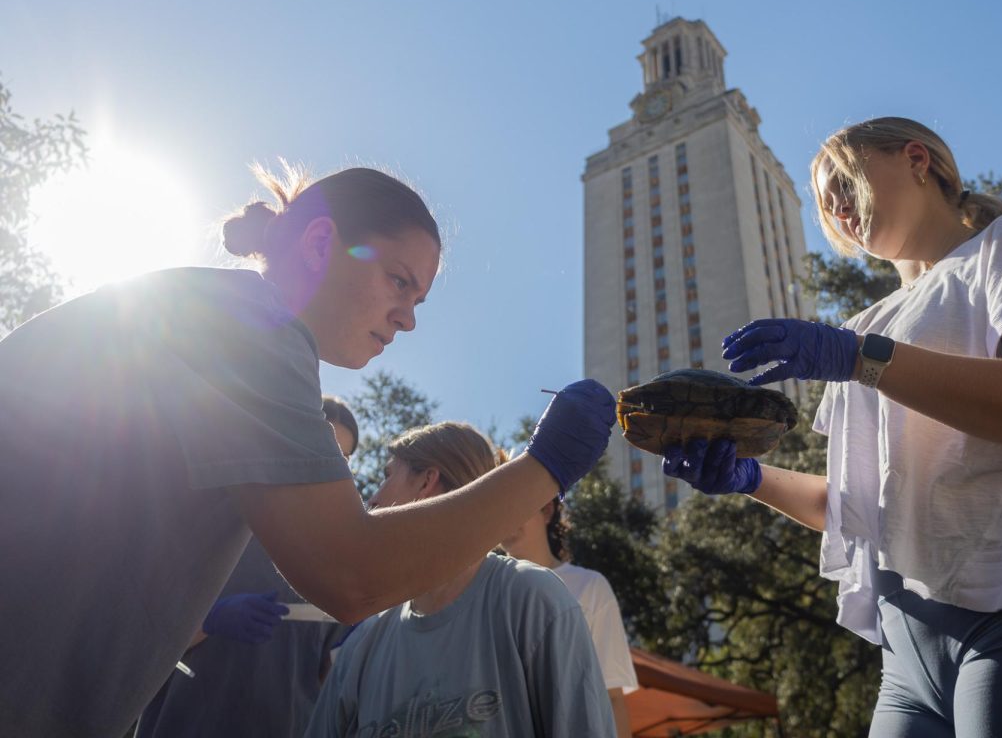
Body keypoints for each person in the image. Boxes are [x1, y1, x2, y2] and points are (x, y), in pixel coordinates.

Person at [0, 163, 616, 738]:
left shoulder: (206, 309)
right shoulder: (250, 329)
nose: (407, 320)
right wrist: (548, 463)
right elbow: (350, 575)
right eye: (398, 281)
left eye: (418, 300)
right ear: (321, 244)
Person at [662, 117, 1002, 736]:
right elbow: (866, 509)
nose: (834, 207)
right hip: (906, 662)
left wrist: (860, 357)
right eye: (821, 201)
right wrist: (750, 477)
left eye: (842, 179)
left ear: (917, 158)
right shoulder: (868, 320)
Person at [306, 422, 616, 738]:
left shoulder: (534, 602)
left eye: (387, 476)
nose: (371, 500)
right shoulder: (363, 645)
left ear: (427, 480)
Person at [135, 396, 360, 738]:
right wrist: (208, 621)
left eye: (344, 459)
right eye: (328, 450)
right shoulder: (219, 523)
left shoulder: (336, 560)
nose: (335, 467)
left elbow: (328, 676)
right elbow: (135, 639)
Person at [502, 497, 638, 738]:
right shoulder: (485, 596)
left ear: (547, 510)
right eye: (496, 510)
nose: (504, 519)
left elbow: (612, 698)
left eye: (514, 504)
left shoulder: (591, 586)